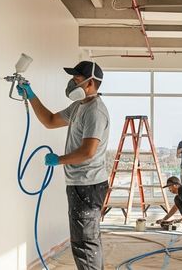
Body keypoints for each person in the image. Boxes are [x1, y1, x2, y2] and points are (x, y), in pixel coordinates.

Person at [16, 61, 110, 270]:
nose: (72, 84)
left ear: (90, 83)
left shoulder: (95, 111)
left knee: (85, 243)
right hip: (80, 183)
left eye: (77, 80)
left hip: (88, 185)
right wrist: (31, 95)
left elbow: (88, 151)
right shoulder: (79, 106)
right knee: (85, 240)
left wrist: (59, 160)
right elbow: (50, 120)